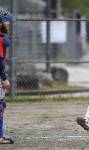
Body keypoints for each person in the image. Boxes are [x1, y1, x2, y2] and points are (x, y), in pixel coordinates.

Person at [0, 7, 13, 144]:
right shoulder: (2, 40)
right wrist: (4, 78)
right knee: (0, 106)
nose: (7, 24)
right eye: (5, 22)